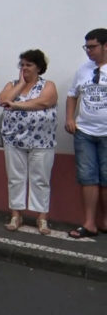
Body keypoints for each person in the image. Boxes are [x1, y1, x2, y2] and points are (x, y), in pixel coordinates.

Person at [0, 50, 58, 235]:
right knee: (16, 178)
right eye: (22, 64)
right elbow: (2, 100)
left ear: (39, 67)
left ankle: (42, 218)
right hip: (14, 139)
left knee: (40, 179)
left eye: (29, 65)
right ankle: (16, 215)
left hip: (42, 141)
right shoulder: (12, 84)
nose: (24, 68)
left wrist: (15, 105)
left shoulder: (48, 85)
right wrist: (21, 84)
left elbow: (44, 102)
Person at [65, 28, 107, 238]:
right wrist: (70, 118)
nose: (88, 51)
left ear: (105, 46)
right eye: (86, 47)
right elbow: (72, 95)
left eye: (92, 47)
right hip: (85, 131)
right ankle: (89, 223)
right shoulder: (83, 70)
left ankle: (105, 221)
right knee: (87, 176)